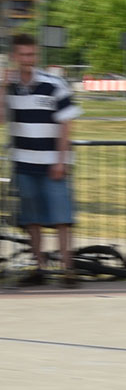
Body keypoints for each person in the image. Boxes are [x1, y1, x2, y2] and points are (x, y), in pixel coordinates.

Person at [3, 34, 82, 287]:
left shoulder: (54, 83)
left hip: (52, 163)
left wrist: (61, 160)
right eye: (24, 55)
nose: (29, 59)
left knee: (62, 218)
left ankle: (68, 270)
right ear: (14, 57)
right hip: (24, 163)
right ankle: (39, 268)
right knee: (31, 219)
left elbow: (67, 124)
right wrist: (2, 87)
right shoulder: (10, 86)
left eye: (32, 54)